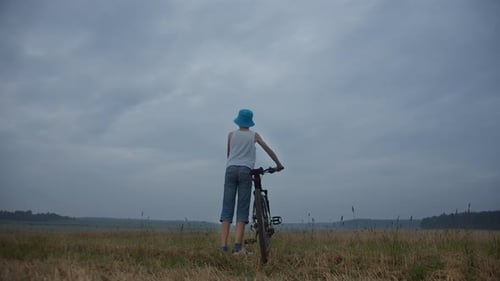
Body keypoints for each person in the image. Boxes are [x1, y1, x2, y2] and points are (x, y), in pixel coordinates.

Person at [219, 109, 284, 253]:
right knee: (242, 207)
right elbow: (268, 149)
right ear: (250, 121)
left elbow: (229, 155)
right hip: (245, 171)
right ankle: (237, 247)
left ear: (238, 120)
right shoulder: (254, 135)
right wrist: (278, 164)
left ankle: (223, 247)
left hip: (230, 169)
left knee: (227, 206)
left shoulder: (231, 135)